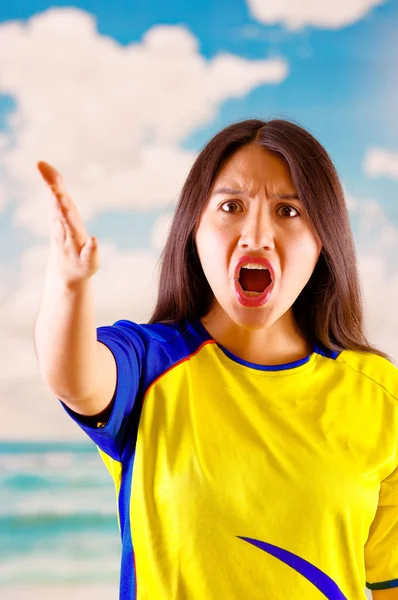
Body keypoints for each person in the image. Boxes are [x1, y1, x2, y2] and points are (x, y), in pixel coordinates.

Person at [34, 119, 398, 600]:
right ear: (194, 231)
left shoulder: (378, 391)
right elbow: (74, 378)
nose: (257, 235)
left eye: (289, 211)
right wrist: (68, 284)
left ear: (322, 241)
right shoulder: (147, 364)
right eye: (231, 206)